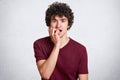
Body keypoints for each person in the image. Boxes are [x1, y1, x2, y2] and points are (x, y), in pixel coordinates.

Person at [33, 2, 88, 80]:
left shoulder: (80, 50)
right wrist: (57, 45)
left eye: (63, 20)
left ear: (68, 24)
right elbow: (45, 75)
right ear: (49, 24)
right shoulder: (39, 44)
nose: (58, 25)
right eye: (54, 21)